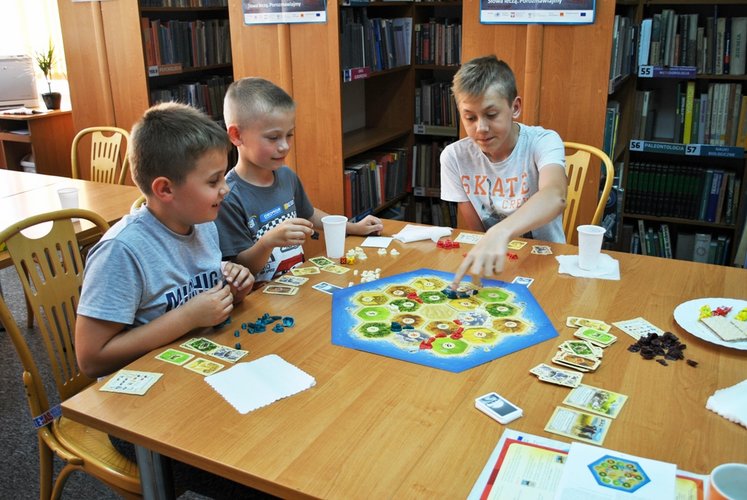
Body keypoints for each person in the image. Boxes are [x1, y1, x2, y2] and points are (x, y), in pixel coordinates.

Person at [75, 102, 254, 379]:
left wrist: (232, 290)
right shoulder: (120, 251)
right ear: (165, 189)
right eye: (213, 181)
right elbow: (91, 360)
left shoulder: (203, 223)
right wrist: (186, 318)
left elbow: (198, 294)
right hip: (143, 389)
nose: (225, 189)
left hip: (193, 370)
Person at [215, 77, 384, 284]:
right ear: (236, 135)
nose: (284, 146)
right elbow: (240, 270)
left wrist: (352, 227)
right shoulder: (227, 197)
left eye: (289, 135)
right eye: (273, 137)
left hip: (298, 288)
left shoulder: (287, 175)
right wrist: (267, 242)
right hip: (259, 299)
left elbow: (309, 213)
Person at [440, 55, 567, 286]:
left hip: (546, 264)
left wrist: (500, 231)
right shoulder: (454, 157)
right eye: (470, 117)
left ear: (514, 107)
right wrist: (490, 240)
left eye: (491, 115)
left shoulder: (544, 141)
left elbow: (555, 196)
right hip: (496, 266)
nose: (481, 128)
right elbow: (478, 232)